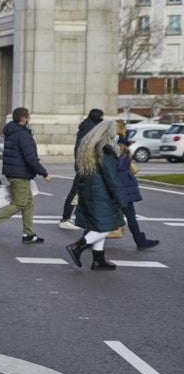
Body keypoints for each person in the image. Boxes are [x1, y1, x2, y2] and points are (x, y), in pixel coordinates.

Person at [0, 107, 51, 244]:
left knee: (28, 203)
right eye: (28, 116)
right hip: (20, 174)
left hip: (14, 172)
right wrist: (44, 173)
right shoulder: (23, 135)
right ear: (23, 118)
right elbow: (30, 157)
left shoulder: (12, 131)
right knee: (19, 203)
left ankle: (28, 234)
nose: (29, 118)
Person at [66, 120, 126, 271]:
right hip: (102, 192)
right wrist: (122, 200)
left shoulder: (88, 145)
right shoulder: (106, 148)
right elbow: (111, 177)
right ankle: (78, 247)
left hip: (89, 189)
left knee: (98, 224)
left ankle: (98, 260)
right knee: (110, 224)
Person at [115, 121, 160, 251]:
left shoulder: (117, 144)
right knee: (129, 215)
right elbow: (120, 166)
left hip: (120, 185)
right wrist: (126, 152)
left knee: (122, 214)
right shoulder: (119, 146)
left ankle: (86, 240)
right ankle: (85, 241)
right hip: (121, 185)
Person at [60, 108, 103, 230]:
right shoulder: (91, 130)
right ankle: (66, 218)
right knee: (77, 192)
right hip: (86, 166)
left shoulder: (86, 128)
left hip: (83, 165)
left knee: (81, 193)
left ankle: (72, 218)